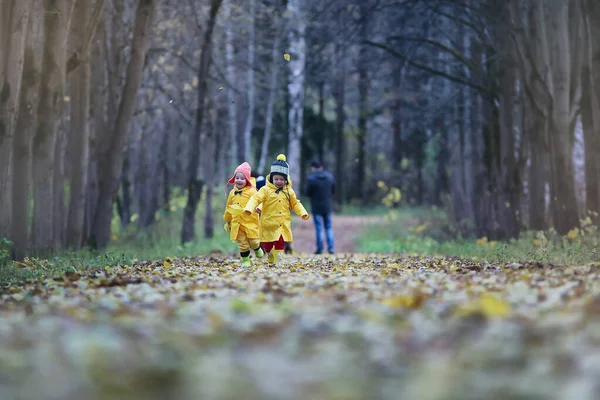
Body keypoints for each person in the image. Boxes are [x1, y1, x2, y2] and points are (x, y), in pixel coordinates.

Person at [244, 154, 309, 265]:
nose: (279, 181)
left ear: (286, 180)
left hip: (281, 223)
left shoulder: (289, 191)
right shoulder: (265, 190)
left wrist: (302, 213)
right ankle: (269, 253)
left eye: (281, 179)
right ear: (271, 178)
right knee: (267, 245)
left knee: (280, 242)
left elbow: (295, 203)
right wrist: (250, 208)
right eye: (276, 179)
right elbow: (256, 198)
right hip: (268, 223)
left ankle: (279, 261)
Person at [223, 162, 264, 267]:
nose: (239, 180)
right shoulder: (232, 193)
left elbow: (260, 200)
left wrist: (259, 208)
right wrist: (228, 220)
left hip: (250, 221)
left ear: (247, 180)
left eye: (242, 178)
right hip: (238, 223)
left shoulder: (252, 191)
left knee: (253, 241)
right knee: (242, 243)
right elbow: (229, 207)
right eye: (237, 178)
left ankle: (257, 248)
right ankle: (246, 260)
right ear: (234, 179)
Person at [305, 159, 335, 254]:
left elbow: (307, 193)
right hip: (327, 206)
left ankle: (320, 249)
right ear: (321, 167)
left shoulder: (311, 178)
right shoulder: (330, 177)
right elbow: (333, 190)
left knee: (319, 228)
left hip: (316, 206)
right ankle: (331, 248)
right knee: (329, 227)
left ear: (313, 168)